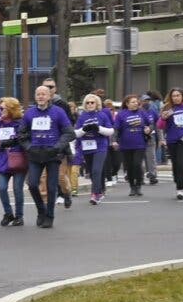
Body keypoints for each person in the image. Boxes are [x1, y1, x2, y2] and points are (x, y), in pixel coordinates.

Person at [19, 84, 74, 229]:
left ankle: (50, 215)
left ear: (49, 96)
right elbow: (21, 134)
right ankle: (41, 210)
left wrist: (57, 147)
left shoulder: (58, 112)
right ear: (35, 97)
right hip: (35, 154)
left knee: (51, 187)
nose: (41, 96)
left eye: (44, 94)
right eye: (38, 94)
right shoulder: (29, 113)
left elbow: (69, 132)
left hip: (53, 154)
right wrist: (29, 147)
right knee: (32, 184)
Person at [0, 96, 26, 226]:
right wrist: (2, 144)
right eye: (0, 108)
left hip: (18, 159)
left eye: (2, 108)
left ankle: (19, 216)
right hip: (2, 159)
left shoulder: (21, 123)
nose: (0, 110)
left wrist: (16, 141)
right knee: (2, 187)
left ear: (11, 109)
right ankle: (8, 213)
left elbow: (24, 140)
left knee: (17, 189)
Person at [74, 93, 115, 205]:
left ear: (97, 104)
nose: (90, 104)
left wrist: (99, 128)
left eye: (92, 102)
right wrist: (84, 130)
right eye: (87, 103)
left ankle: (95, 194)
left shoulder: (102, 115)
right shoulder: (82, 117)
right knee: (92, 172)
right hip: (87, 147)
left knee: (97, 170)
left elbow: (111, 131)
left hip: (100, 146)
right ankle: (100, 190)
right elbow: (75, 134)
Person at [157, 88, 183, 201]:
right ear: (171, 97)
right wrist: (163, 118)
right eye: (174, 96)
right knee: (175, 164)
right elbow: (160, 126)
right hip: (172, 140)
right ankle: (176, 178)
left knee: (181, 163)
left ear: (182, 96)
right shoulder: (168, 108)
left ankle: (180, 188)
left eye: (178, 95)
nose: (176, 97)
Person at [41, 77, 75, 205]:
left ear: (55, 89)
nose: (49, 89)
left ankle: (65, 193)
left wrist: (61, 139)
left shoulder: (62, 105)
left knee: (61, 175)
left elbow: (70, 125)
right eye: (46, 87)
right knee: (43, 176)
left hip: (59, 145)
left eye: (51, 87)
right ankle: (45, 204)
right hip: (43, 146)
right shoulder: (38, 104)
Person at [116, 95, 152, 197]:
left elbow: (151, 124)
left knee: (137, 164)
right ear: (127, 104)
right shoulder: (121, 114)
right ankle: (132, 186)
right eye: (133, 102)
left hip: (140, 144)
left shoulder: (142, 112)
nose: (135, 103)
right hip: (125, 145)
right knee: (129, 167)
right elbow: (116, 128)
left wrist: (149, 129)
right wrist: (114, 141)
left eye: (136, 102)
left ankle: (139, 185)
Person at [143, 91, 163, 183]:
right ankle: (139, 176)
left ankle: (153, 175)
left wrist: (161, 139)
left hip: (151, 138)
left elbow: (158, 126)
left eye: (148, 100)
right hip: (140, 138)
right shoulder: (138, 112)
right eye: (144, 100)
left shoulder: (153, 112)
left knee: (151, 157)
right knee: (141, 158)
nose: (146, 102)